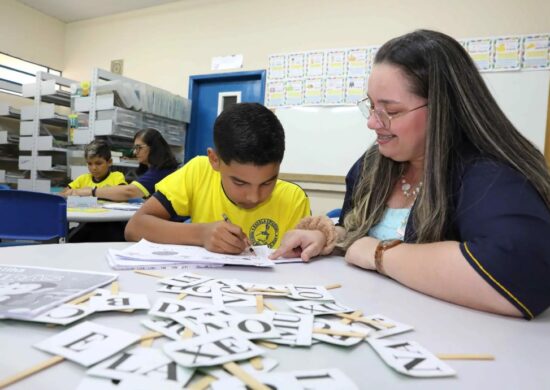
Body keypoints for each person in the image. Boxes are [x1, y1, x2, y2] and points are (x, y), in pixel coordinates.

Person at [271, 29, 550, 319]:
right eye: (371, 105)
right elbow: (359, 234)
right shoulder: (373, 165)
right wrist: (329, 238)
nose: (372, 123)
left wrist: (380, 254)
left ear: (444, 108)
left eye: (390, 110)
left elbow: (521, 277)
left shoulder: (491, 176)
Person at [125, 103, 311, 254]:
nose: (254, 197)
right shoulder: (199, 172)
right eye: (240, 182)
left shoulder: (293, 199)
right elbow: (135, 227)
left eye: (267, 182)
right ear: (215, 160)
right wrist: (202, 234)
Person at [66, 128, 179, 201]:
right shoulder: (152, 170)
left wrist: (90, 191)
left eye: (139, 148)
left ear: (154, 148)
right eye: (135, 148)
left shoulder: (161, 171)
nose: (135, 152)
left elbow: (129, 192)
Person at [60, 140, 126, 197]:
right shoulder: (82, 179)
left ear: (109, 162)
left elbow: (124, 195)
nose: (94, 168)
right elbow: (63, 194)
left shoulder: (116, 177)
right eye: (89, 164)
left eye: (98, 163)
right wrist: (78, 192)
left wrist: (91, 192)